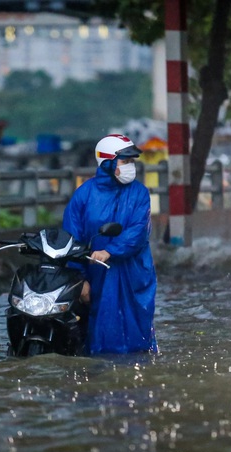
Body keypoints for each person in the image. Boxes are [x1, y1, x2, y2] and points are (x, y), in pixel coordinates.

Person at [62, 134, 158, 355]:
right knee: (98, 333)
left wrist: (109, 251)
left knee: (138, 334)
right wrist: (79, 279)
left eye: (132, 161)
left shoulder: (139, 193)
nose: (130, 166)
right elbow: (72, 238)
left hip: (133, 273)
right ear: (108, 163)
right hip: (96, 274)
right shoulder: (84, 195)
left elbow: (138, 232)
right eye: (125, 161)